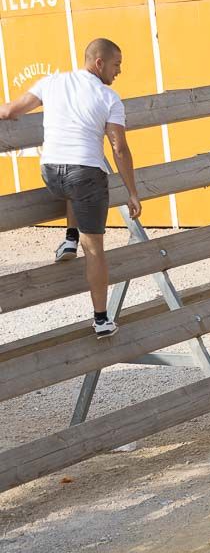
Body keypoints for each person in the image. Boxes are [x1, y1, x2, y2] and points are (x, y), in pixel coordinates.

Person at [0, 38, 139, 337]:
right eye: (116, 65)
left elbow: (10, 110)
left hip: (50, 173)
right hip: (84, 176)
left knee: (74, 184)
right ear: (99, 63)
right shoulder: (109, 97)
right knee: (96, 250)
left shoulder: (52, 82)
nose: (119, 72)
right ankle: (102, 319)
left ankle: (69, 238)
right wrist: (132, 191)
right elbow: (120, 149)